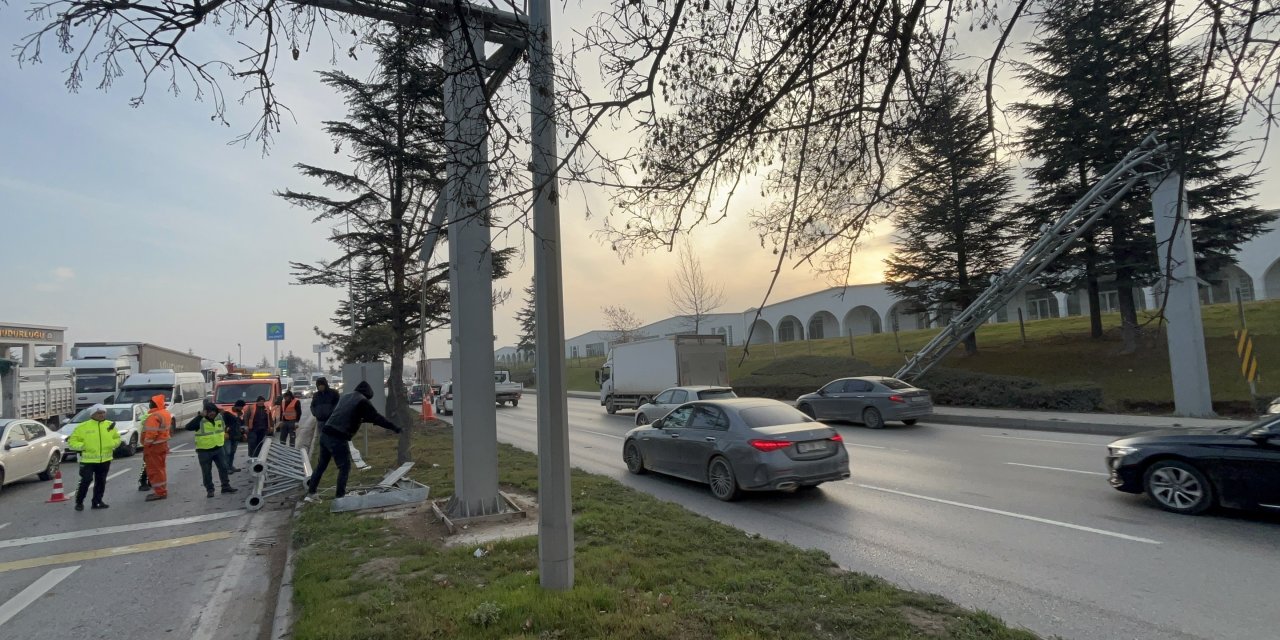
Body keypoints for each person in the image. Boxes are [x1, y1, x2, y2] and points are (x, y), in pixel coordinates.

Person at [304, 380, 401, 502]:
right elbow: (377, 418)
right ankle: (340, 498)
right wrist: (395, 428)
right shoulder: (362, 401)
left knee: (321, 465)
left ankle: (311, 494)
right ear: (368, 395)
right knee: (344, 467)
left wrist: (363, 420)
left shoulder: (346, 397)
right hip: (338, 437)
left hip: (325, 433)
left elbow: (348, 414)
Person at [67, 405, 121, 511]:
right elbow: (72, 442)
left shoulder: (110, 425)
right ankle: (79, 502)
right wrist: (82, 447)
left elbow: (117, 438)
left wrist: (113, 444)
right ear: (92, 414)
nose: (101, 415)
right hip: (88, 460)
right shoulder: (82, 427)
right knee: (86, 480)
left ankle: (97, 502)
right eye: (99, 413)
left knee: (101, 481)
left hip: (105, 459)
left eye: (103, 413)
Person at [184, 402, 238, 498]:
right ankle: (210, 490)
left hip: (218, 447)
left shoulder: (219, 417)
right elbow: (188, 427)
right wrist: (200, 416)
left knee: (224, 468)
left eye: (213, 411)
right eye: (209, 412)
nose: (212, 414)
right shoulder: (200, 420)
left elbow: (233, 420)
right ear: (205, 412)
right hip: (204, 450)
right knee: (206, 471)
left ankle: (225, 486)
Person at [140, 395, 173, 501]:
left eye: (150, 403)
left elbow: (151, 434)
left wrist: (146, 446)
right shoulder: (165, 413)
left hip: (153, 447)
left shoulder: (154, 416)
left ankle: (160, 492)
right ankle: (161, 490)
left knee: (154, 470)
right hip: (162, 445)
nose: (149, 405)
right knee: (160, 469)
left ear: (154, 404)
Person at [221, 400, 246, 473]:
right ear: (237, 406)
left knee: (232, 452)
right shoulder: (227, 412)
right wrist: (226, 431)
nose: (242, 408)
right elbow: (223, 423)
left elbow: (241, 424)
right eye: (241, 407)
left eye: (242, 407)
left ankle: (230, 466)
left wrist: (242, 433)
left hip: (236, 435)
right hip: (228, 436)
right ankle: (226, 468)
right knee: (227, 453)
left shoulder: (241, 413)